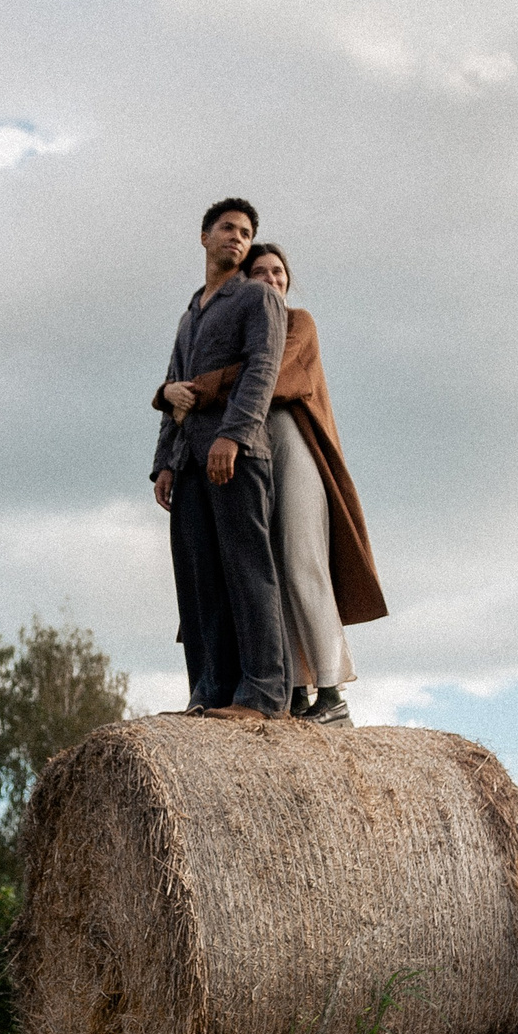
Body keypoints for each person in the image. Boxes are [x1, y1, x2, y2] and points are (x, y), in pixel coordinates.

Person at [213, 242, 387, 721]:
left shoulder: (298, 324)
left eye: (278, 273)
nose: (272, 280)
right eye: (261, 274)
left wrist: (201, 387)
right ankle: (294, 689)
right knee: (269, 569)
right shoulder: (241, 337)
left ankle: (332, 694)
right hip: (258, 455)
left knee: (302, 562)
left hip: (300, 453)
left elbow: (270, 377)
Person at [150, 198, 289, 721]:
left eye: (246, 232)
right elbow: (176, 387)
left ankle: (264, 695)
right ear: (204, 236)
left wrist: (232, 436)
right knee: (199, 581)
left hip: (236, 452)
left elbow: (262, 369)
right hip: (187, 462)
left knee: (248, 571)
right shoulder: (190, 312)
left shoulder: (257, 299)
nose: (237, 237)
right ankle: (208, 692)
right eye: (227, 228)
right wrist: (165, 461)